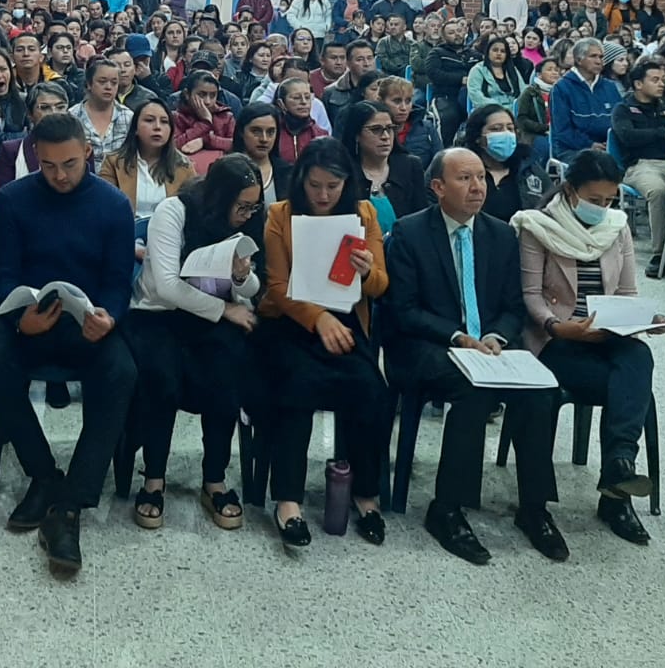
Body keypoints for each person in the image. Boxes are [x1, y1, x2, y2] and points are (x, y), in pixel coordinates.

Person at [0, 113, 136, 575]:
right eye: (48, 166)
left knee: (122, 372)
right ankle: (44, 474)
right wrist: (21, 319)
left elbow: (118, 281)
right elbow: (3, 272)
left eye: (68, 164)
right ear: (35, 159)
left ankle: (70, 502)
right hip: (28, 317)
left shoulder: (111, 204)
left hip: (87, 320)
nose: (60, 175)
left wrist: (108, 317)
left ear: (86, 152)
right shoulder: (13, 199)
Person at [385, 148, 566, 564]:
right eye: (465, 178)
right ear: (437, 187)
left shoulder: (501, 234)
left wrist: (497, 336)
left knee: (540, 393)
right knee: (474, 391)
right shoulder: (410, 233)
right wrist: (458, 337)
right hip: (427, 345)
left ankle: (534, 508)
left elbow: (513, 306)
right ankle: (447, 508)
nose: (478, 187)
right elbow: (404, 310)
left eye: (481, 178)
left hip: (491, 345)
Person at [514, 150, 665, 545]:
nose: (604, 208)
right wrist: (560, 327)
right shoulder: (537, 226)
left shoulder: (616, 227)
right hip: (557, 338)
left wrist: (643, 320)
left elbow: (627, 292)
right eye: (595, 200)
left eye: (610, 200)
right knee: (624, 387)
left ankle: (619, 470)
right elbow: (530, 297)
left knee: (638, 355)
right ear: (570, 191)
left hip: (606, 334)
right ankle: (581, 499)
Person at [257, 139, 391, 549]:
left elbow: (381, 286)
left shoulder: (364, 215)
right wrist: (318, 319)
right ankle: (288, 500)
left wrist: (367, 271)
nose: (322, 195)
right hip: (293, 322)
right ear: (301, 181)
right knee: (295, 388)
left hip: (347, 320)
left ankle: (366, 493)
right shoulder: (281, 215)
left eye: (332, 187)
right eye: (314, 185)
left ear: (346, 184)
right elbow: (277, 288)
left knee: (371, 391)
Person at [127, 155, 264, 532]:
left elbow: (253, 289)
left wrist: (241, 277)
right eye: (241, 206)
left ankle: (214, 479)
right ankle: (153, 478)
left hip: (213, 312)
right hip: (158, 313)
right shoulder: (175, 211)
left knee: (227, 369)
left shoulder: (251, 219)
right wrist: (225, 310)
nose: (248, 214)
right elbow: (165, 287)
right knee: (161, 375)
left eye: (254, 206)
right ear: (220, 198)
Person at [611, 59, 665, 274]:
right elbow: (627, 137)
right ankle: (660, 255)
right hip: (640, 166)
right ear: (638, 84)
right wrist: (661, 134)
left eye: (663, 80)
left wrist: (651, 138)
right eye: (655, 80)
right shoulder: (624, 109)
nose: (662, 84)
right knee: (658, 192)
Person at [100, 100, 195, 230]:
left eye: (164, 122)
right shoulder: (114, 162)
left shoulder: (183, 166)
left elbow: (194, 211)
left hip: (171, 234)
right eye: (149, 120)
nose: (157, 127)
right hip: (125, 233)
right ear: (135, 129)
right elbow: (104, 209)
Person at [337, 100, 426, 229]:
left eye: (390, 129)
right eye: (375, 129)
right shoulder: (344, 171)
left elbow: (422, 219)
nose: (385, 136)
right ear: (356, 135)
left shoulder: (410, 166)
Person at [457, 104, 546, 222]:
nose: (506, 134)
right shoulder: (459, 171)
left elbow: (551, 205)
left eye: (510, 128)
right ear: (478, 137)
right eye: (496, 129)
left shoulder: (529, 167)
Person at [0, 84, 72, 190]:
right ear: (30, 114)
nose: (54, 113)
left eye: (60, 107)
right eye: (44, 108)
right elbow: (3, 198)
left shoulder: (82, 149)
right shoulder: (12, 151)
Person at [553, 38, 621, 155]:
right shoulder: (561, 88)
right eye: (593, 56)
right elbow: (563, 130)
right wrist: (589, 145)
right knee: (597, 166)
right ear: (579, 60)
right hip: (573, 149)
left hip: (610, 147)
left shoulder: (610, 86)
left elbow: (620, 121)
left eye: (601, 57)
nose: (599, 61)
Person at [68, 57, 130, 163]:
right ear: (89, 84)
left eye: (114, 83)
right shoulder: (72, 116)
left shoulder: (128, 116)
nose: (108, 87)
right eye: (102, 81)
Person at [172, 70, 234, 174]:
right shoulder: (176, 117)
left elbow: (236, 145)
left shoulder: (226, 117)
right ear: (187, 94)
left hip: (221, 173)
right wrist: (205, 122)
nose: (207, 101)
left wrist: (206, 140)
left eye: (213, 95)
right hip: (183, 173)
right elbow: (174, 146)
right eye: (202, 95)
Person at [428, 20, 475, 145]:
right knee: (450, 117)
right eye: (451, 32)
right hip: (446, 96)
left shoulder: (474, 54)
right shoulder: (437, 53)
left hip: (471, 96)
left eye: (459, 31)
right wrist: (460, 79)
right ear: (444, 37)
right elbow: (434, 74)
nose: (457, 34)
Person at [376, 76, 438, 170]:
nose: (403, 108)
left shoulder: (427, 128)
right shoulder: (372, 132)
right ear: (381, 101)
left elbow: (439, 165)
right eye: (397, 101)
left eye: (408, 101)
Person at [234, 102, 290, 205]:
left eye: (270, 132)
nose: (264, 139)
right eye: (256, 131)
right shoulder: (224, 171)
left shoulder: (288, 173)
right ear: (241, 131)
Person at [322, 40, 378, 129]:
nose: (366, 64)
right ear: (348, 63)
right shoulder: (331, 92)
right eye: (360, 59)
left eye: (370, 58)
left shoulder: (386, 87)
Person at [466, 35, 527, 113]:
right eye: (495, 50)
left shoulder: (512, 69)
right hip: (487, 110)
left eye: (502, 51)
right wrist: (498, 108)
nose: (499, 53)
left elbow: (523, 92)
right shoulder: (478, 70)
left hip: (513, 109)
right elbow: (475, 95)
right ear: (488, 52)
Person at [517, 58, 560, 166]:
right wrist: (545, 128)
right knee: (545, 147)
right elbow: (522, 120)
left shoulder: (562, 92)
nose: (554, 72)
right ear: (539, 75)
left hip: (559, 134)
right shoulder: (530, 93)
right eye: (549, 69)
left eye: (556, 70)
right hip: (535, 134)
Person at [274, 77, 326, 166]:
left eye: (307, 97)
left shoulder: (321, 134)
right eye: (296, 98)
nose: (304, 102)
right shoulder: (273, 133)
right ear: (281, 103)